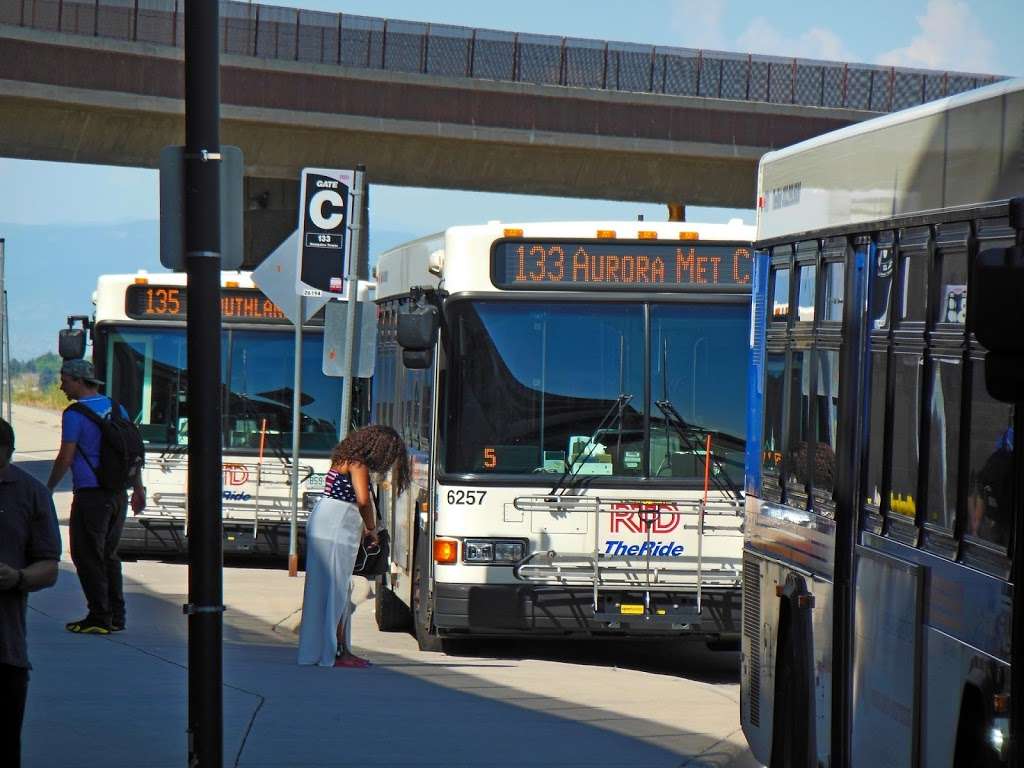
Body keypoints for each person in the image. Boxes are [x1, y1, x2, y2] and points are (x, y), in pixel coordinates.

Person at [45, 359, 145, 635]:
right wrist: (138, 487)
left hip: (92, 495)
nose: (62, 386)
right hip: (117, 495)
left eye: (64, 380)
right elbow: (131, 451)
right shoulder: (116, 407)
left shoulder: (74, 414)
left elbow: (66, 457)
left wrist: (48, 488)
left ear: (78, 380)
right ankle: (116, 615)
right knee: (109, 555)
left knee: (86, 554)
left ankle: (99, 616)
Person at [298, 425, 410, 668]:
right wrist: (371, 528)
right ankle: (336, 651)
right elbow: (362, 500)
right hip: (337, 524)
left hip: (326, 520)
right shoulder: (358, 464)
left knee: (328, 589)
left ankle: (329, 649)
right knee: (337, 589)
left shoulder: (342, 457)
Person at [0, 417, 61, 768]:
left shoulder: (30, 493)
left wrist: (18, 578)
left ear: (9, 454)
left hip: (5, 651)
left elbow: (49, 567)